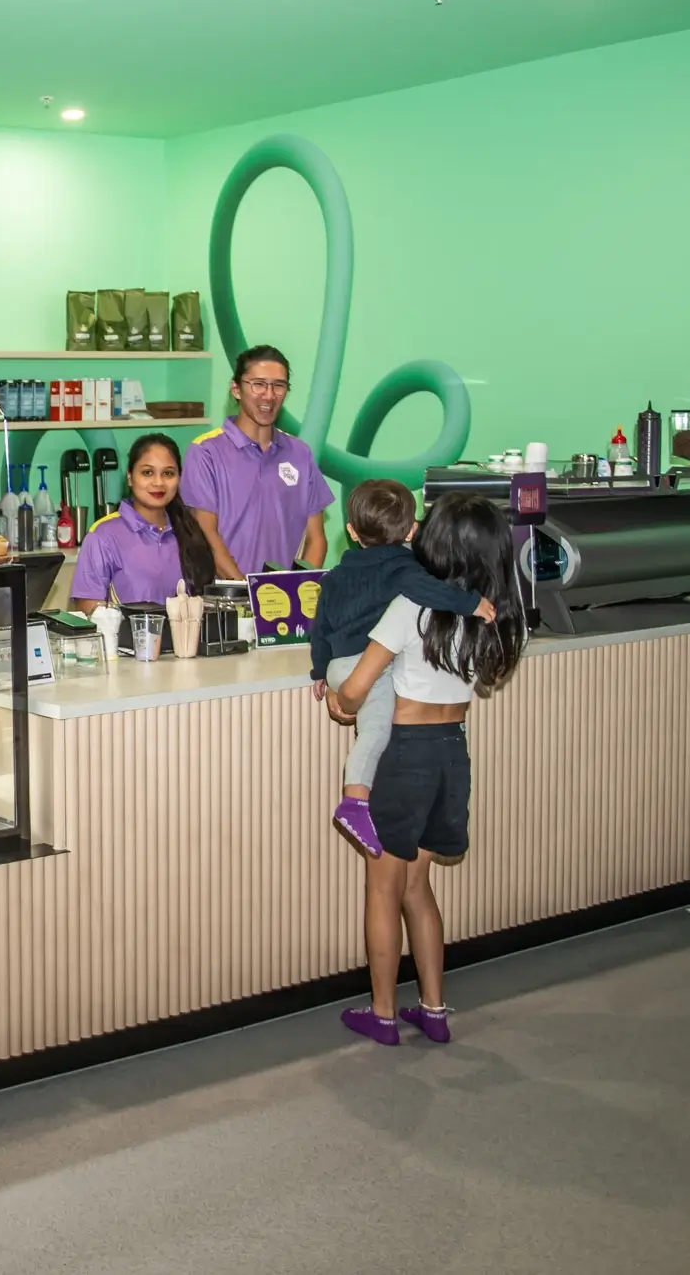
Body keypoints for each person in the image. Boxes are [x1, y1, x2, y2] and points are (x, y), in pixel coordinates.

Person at [325, 492, 524, 1046]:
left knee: (383, 890)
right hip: (450, 752)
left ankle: (384, 1014)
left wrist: (340, 701)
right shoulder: (493, 611)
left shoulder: (411, 605)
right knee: (419, 887)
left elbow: (356, 689)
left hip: (402, 755)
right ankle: (434, 1009)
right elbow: (482, 682)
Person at [309, 479, 495, 857]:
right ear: (412, 530)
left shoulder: (335, 576)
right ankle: (354, 799)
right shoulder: (406, 573)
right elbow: (431, 593)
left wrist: (319, 674)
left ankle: (355, 798)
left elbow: (320, 628)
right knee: (375, 730)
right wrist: (471, 603)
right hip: (367, 670)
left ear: (350, 531)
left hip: (338, 666)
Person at [181, 345, 333, 579]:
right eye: (258, 384)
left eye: (279, 386)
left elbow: (316, 538)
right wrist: (248, 593)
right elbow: (206, 535)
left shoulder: (300, 453)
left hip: (285, 605)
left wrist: (297, 591)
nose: (269, 395)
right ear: (236, 389)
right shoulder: (205, 452)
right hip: (226, 601)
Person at [70, 432, 219, 613]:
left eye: (168, 473)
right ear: (130, 477)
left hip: (186, 640)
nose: (158, 482)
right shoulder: (103, 536)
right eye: (147, 473)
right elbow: (89, 612)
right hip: (125, 640)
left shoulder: (190, 531)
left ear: (179, 478)